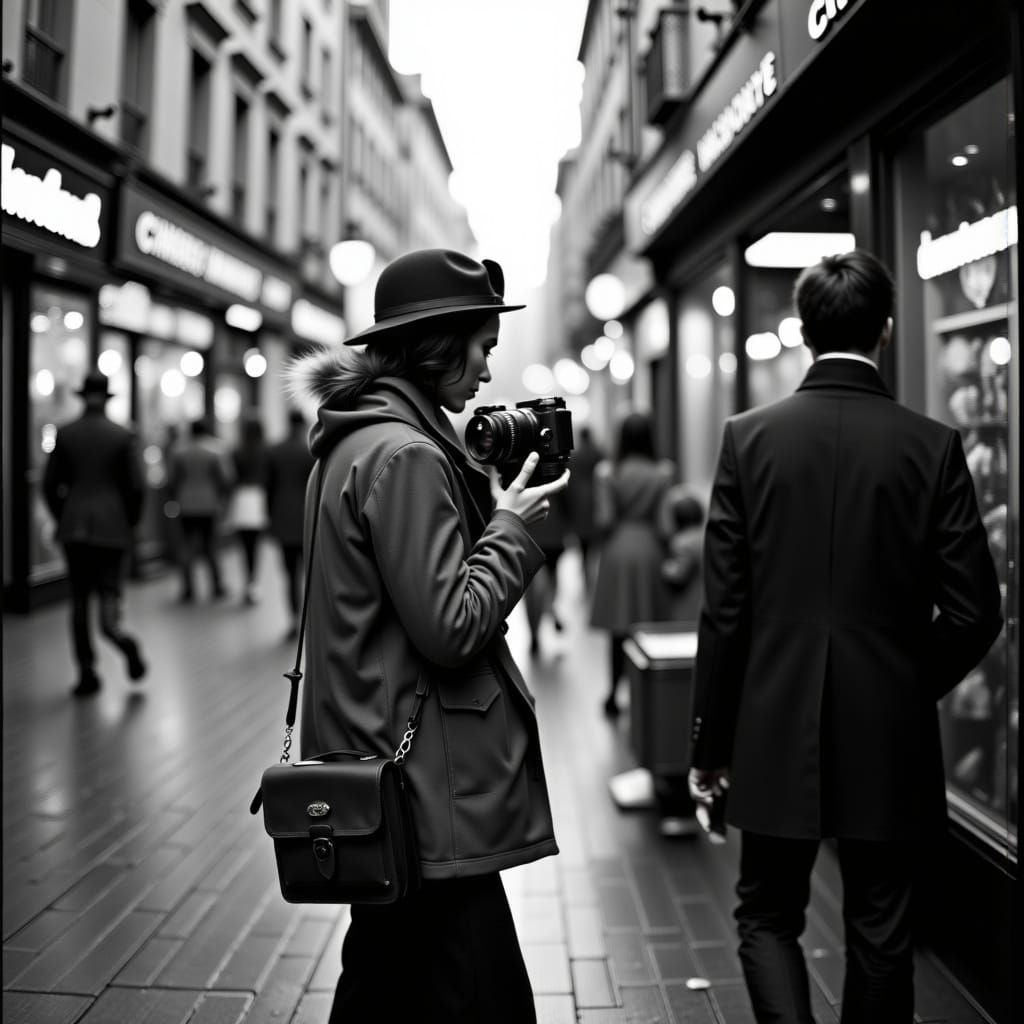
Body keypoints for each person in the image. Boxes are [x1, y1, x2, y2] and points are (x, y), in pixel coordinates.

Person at [688, 250, 1003, 1022]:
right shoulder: (931, 446)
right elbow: (975, 612)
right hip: (888, 729)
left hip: (770, 720)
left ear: (802, 330)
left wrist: (708, 745)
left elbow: (725, 612)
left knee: (766, 914)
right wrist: (899, 681)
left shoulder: (747, 440)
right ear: (888, 330)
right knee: (881, 927)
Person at [287, 248, 570, 1023]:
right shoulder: (405, 453)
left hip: (382, 774)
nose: (486, 369)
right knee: (479, 996)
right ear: (435, 343)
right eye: (479, 346)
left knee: (384, 982)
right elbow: (450, 627)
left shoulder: (352, 440)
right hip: (423, 789)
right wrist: (511, 527)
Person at [43, 369, 147, 696]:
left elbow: (49, 485)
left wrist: (65, 514)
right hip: (112, 526)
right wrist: (128, 521)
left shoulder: (66, 433)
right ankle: (120, 638)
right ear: (107, 397)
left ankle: (86, 671)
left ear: (82, 396)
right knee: (109, 591)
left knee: (78, 599)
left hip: (74, 527)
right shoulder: (122, 435)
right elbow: (137, 487)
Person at [589, 411, 676, 717]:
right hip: (649, 549)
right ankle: (648, 696)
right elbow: (666, 524)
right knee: (648, 624)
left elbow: (605, 519)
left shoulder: (607, 472)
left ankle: (614, 693)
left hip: (618, 552)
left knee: (618, 627)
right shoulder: (662, 473)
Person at [168, 417, 234, 602]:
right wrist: (223, 500)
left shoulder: (179, 450)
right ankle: (216, 585)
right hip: (209, 503)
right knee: (211, 545)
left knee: (187, 546)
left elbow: (172, 479)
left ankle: (188, 588)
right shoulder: (216, 450)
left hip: (185, 503)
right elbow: (226, 478)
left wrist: (174, 498)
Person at [265, 408, 314, 640]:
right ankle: (312, 619)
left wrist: (270, 517)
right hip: (307, 519)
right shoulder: (309, 451)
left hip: (283, 517)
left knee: (290, 574)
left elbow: (268, 487)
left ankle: (293, 620)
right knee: (311, 574)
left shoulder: (275, 450)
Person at [227, 412, 270, 605]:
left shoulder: (237, 450)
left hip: (241, 499)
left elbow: (231, 478)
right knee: (256, 546)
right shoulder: (266, 451)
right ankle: (254, 584)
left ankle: (248, 582)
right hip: (259, 498)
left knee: (244, 547)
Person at [522, 483, 569, 656]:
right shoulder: (556, 468)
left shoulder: (520, 467)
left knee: (530, 589)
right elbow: (567, 503)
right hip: (552, 535)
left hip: (529, 534)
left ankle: (534, 631)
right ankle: (549, 609)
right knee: (548, 583)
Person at [565, 425, 605, 589]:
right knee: (596, 547)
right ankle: (594, 579)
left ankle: (586, 579)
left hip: (579, 504)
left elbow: (570, 482)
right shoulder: (599, 454)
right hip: (597, 501)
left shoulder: (574, 457)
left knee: (583, 548)